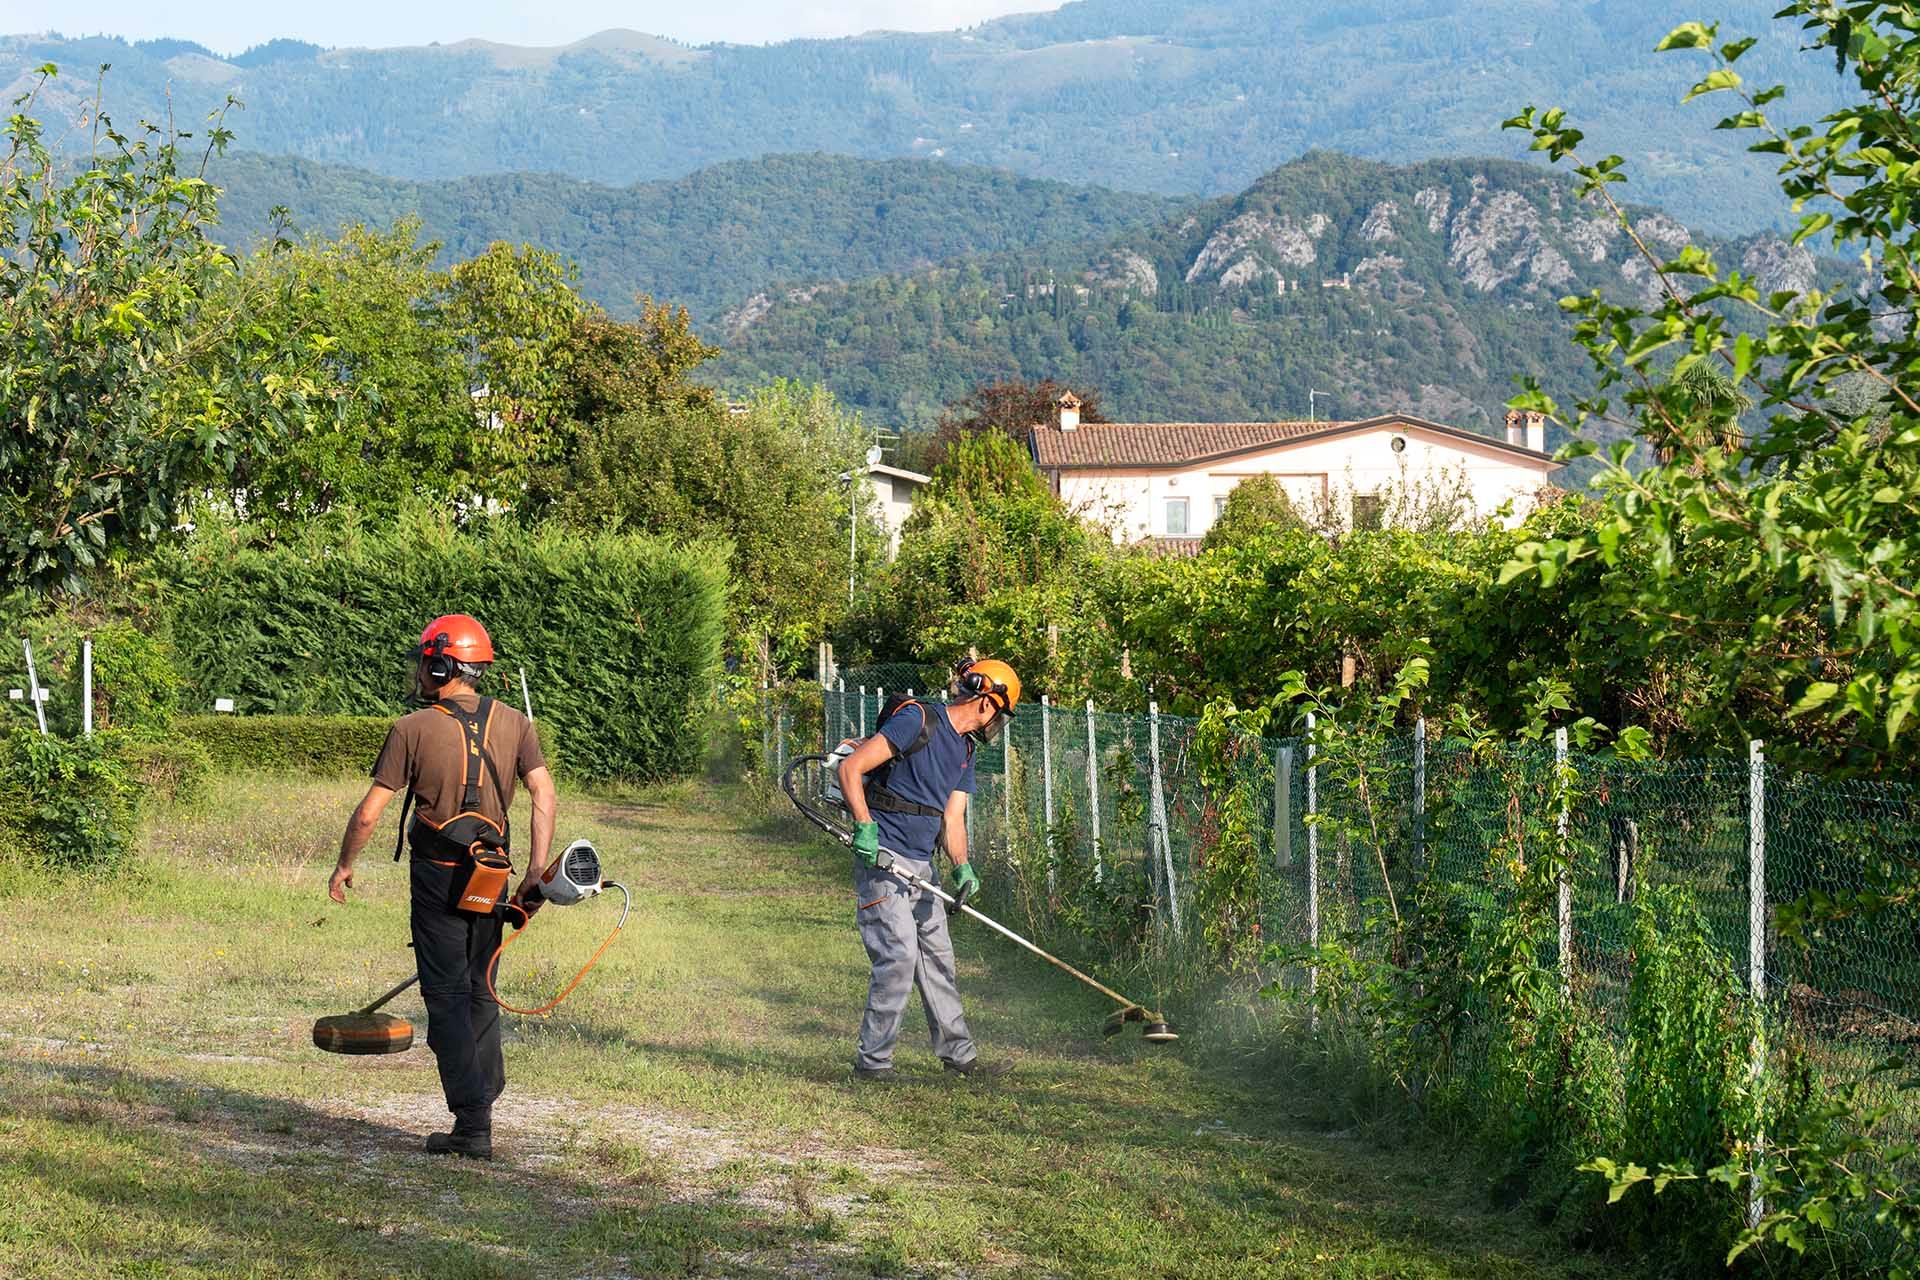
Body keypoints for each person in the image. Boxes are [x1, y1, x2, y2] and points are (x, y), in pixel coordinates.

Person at [328, 614, 556, 1159]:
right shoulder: (517, 723)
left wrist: (343, 865)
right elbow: (543, 794)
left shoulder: (411, 728)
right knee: (480, 987)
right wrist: (536, 870)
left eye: (427, 661)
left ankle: (472, 1123)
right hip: (495, 872)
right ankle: (482, 1103)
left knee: (448, 994)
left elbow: (368, 815)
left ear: (442, 663)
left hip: (438, 877)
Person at [835, 658, 1020, 1082]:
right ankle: (873, 1065)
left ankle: (961, 1058)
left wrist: (963, 866)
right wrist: (864, 828)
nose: (998, 724)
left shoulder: (966, 750)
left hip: (922, 866)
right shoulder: (918, 720)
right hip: (882, 856)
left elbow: (952, 818)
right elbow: (851, 768)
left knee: (939, 960)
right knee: (898, 957)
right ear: (987, 702)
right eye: (1001, 713)